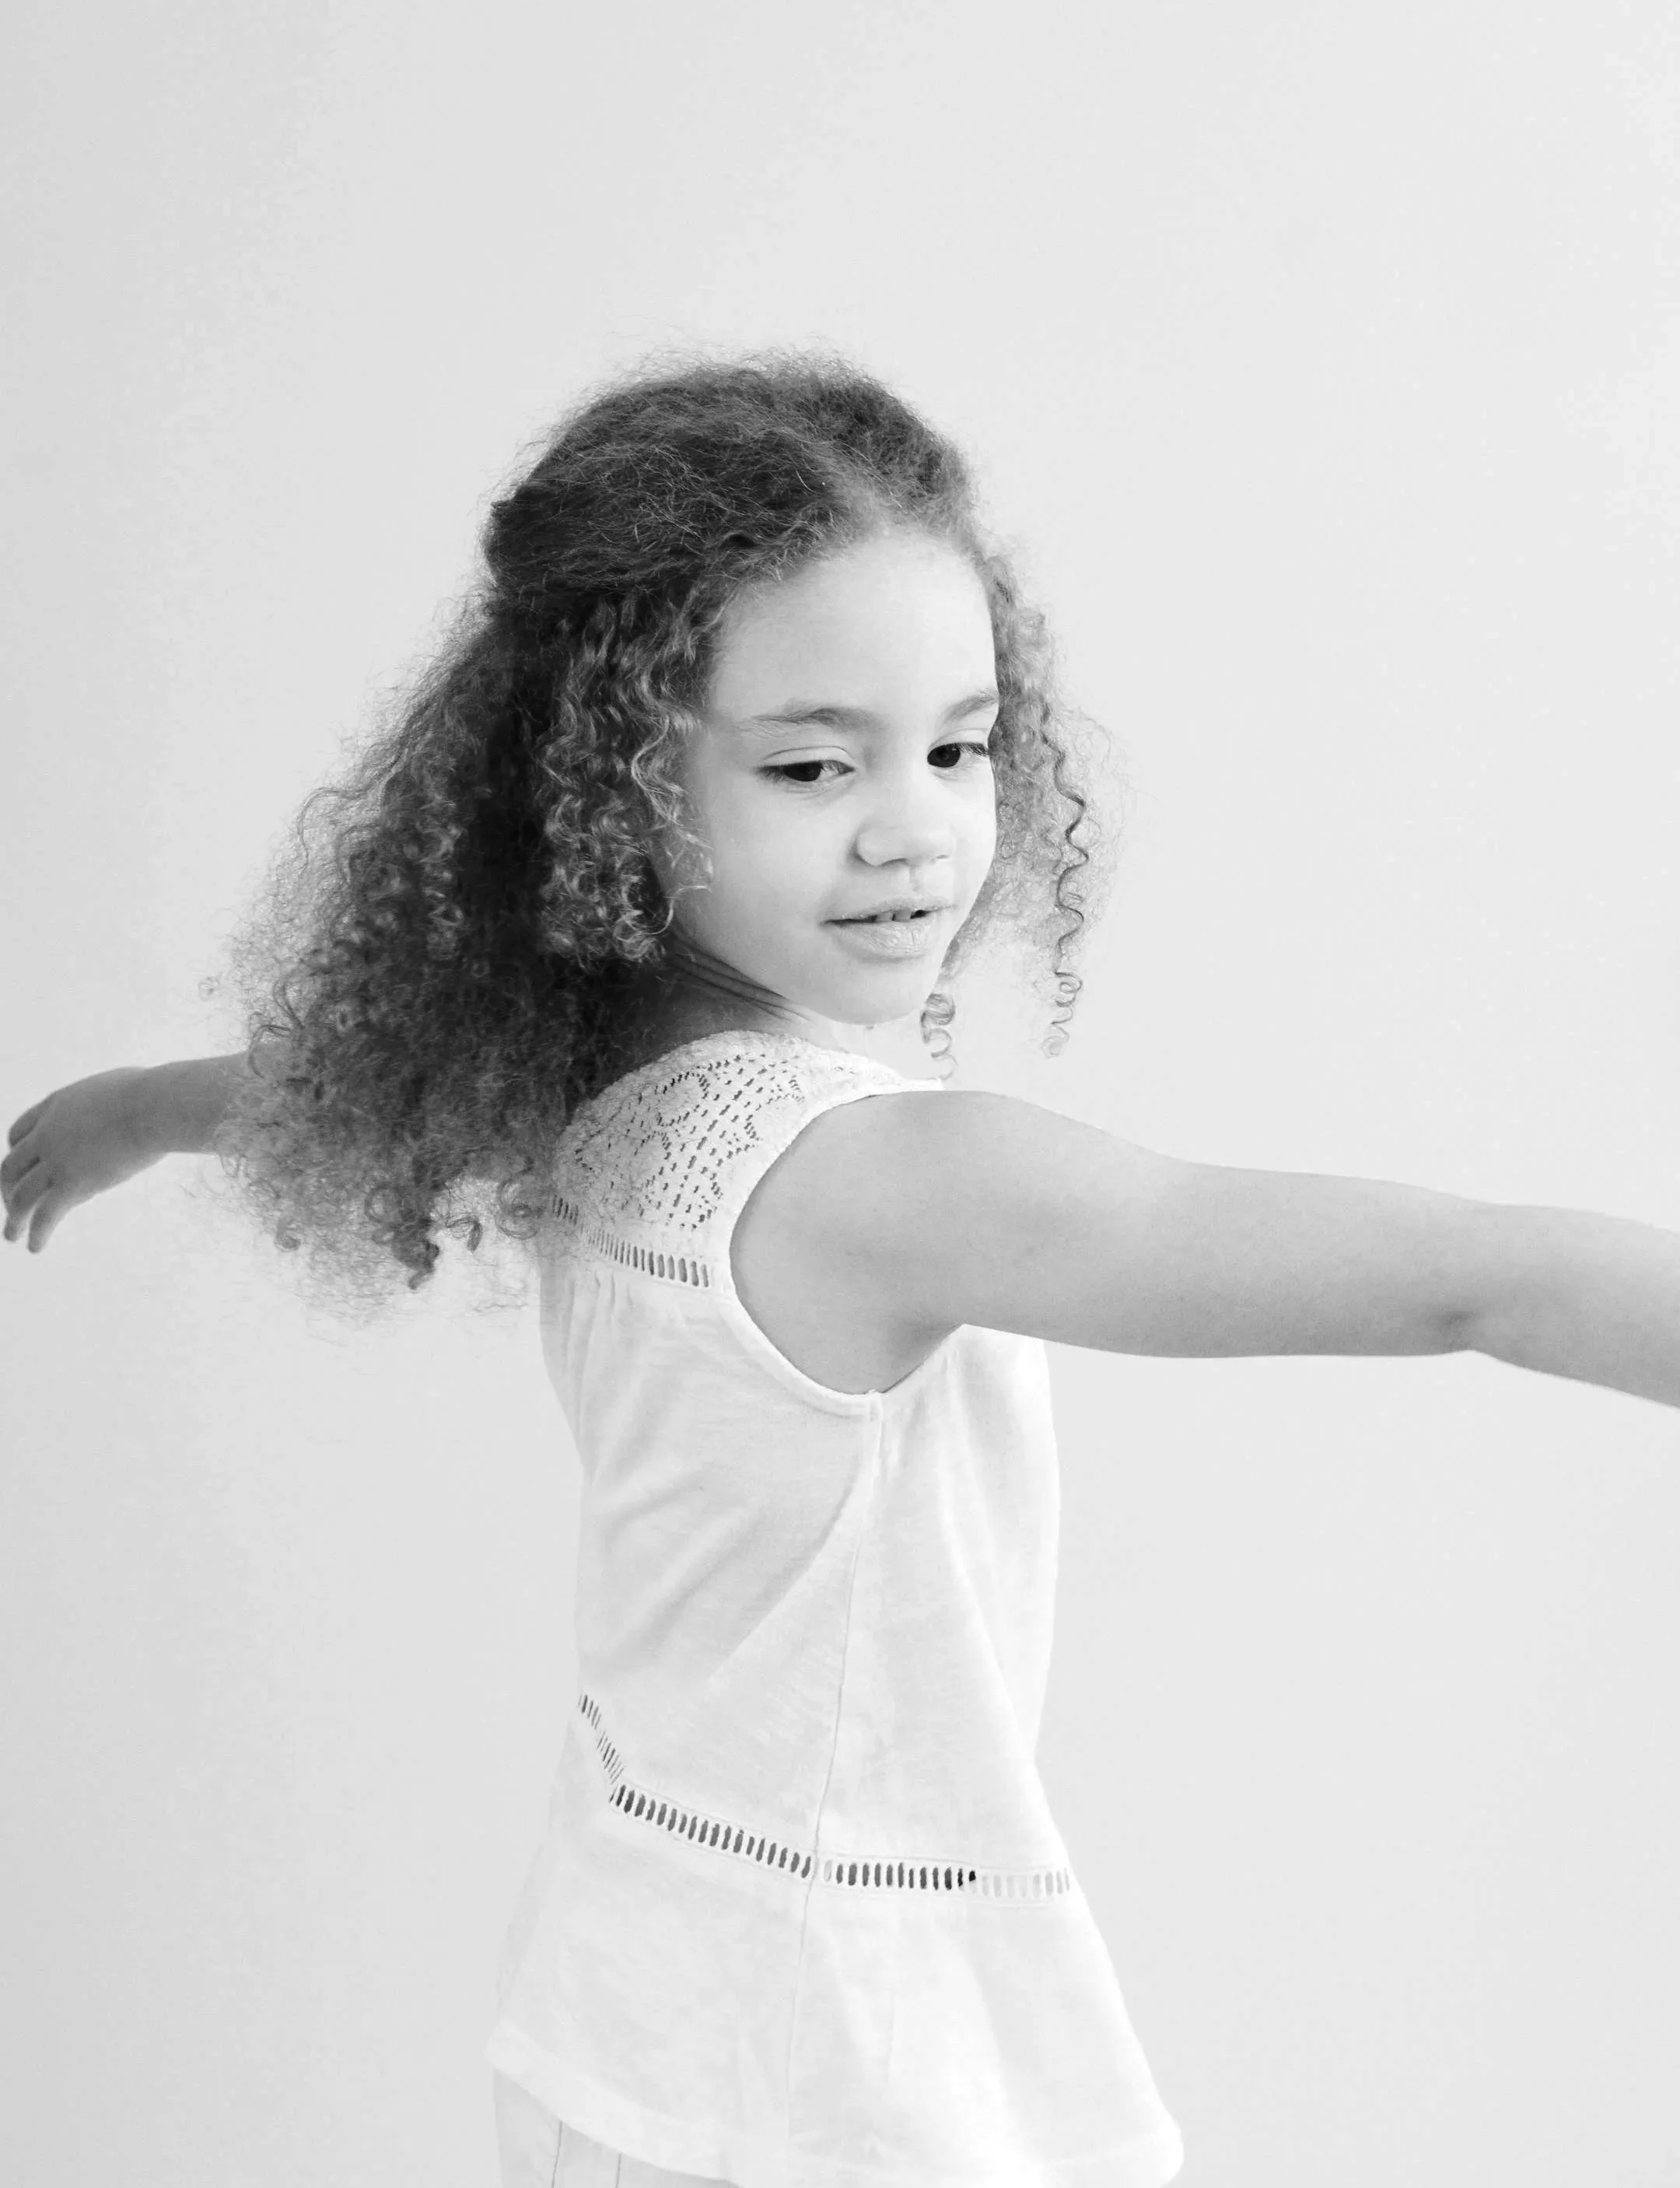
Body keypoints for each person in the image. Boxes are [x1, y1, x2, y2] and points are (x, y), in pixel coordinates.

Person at [6, 345, 1678, 2188]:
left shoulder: (574, 1087)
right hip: (840, 2078)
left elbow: (330, 1088)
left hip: (632, 2004)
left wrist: (125, 1113)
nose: (913, 825)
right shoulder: (878, 1179)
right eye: (813, 764)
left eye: (958, 746)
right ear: (607, 786)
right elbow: (1467, 1281)